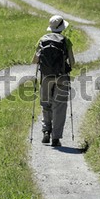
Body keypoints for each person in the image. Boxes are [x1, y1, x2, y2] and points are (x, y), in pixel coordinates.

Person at [32, 15, 75, 147]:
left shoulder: (42, 39)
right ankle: (56, 138)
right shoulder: (66, 40)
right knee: (60, 107)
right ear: (62, 28)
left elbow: (34, 60)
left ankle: (46, 131)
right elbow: (72, 63)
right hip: (62, 77)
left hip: (45, 77)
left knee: (46, 104)